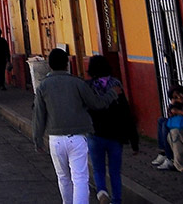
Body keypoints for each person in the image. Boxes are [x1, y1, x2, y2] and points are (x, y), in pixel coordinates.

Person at [33, 48, 120, 204]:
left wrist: (37, 139)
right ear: (67, 64)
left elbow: (39, 116)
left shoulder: (43, 86)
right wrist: (112, 94)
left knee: (63, 177)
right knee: (80, 178)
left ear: (50, 66)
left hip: (55, 140)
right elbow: (96, 104)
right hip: (77, 138)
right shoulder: (77, 83)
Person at [86, 55, 139, 204]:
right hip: (116, 135)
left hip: (95, 133)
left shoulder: (88, 87)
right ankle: (117, 200)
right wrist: (134, 141)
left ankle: (102, 192)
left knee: (98, 169)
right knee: (115, 172)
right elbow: (126, 113)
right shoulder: (116, 85)